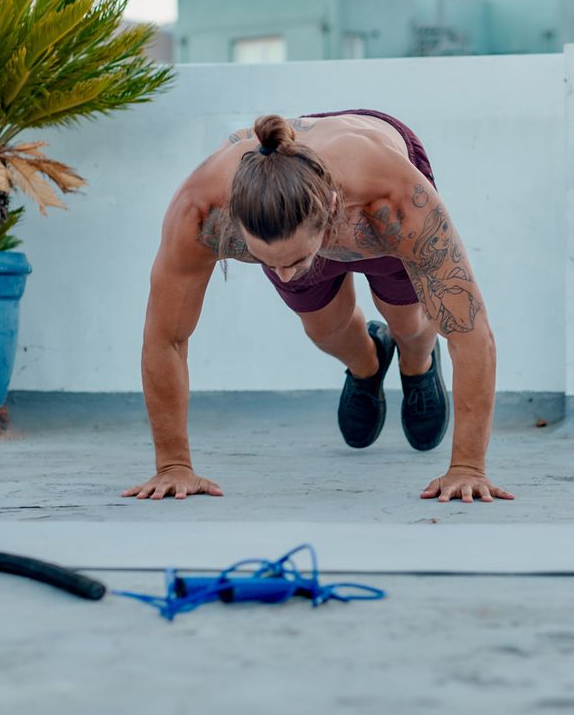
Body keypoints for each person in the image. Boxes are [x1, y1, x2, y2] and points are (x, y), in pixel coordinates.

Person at [123, 110, 513, 504]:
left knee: (409, 322)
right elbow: (166, 337)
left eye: (292, 261)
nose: (284, 275)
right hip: (293, 213)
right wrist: (173, 465)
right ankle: (367, 364)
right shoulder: (201, 210)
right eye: (269, 262)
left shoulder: (394, 199)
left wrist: (467, 468)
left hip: (372, 208)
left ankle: (418, 365)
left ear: (329, 210)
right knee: (325, 330)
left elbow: (469, 330)